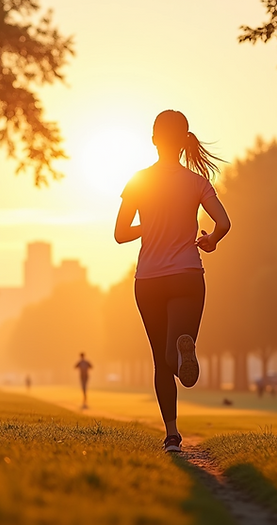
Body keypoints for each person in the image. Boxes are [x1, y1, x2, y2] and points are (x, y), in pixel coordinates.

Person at [114, 110, 231, 453]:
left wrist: (147, 228)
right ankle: (182, 354)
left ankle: (172, 435)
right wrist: (211, 240)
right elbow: (223, 223)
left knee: (159, 361)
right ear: (184, 140)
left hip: (148, 279)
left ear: (153, 139)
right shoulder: (196, 182)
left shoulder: (138, 180)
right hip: (187, 275)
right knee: (175, 349)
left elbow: (120, 234)